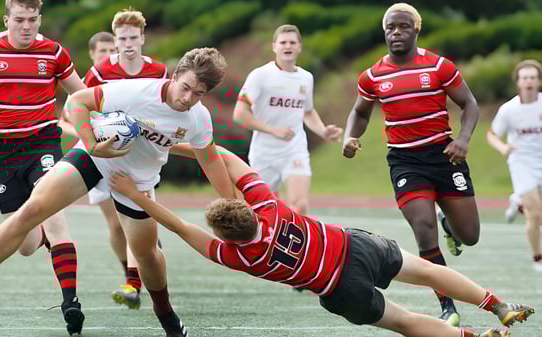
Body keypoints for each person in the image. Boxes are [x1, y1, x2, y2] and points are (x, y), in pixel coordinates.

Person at [0, 47, 235, 337]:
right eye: (185, 87)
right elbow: (77, 103)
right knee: (31, 209)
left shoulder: (197, 119)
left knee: (146, 255)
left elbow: (209, 159)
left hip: (137, 181)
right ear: (175, 75)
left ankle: (165, 312)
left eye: (198, 94)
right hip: (94, 157)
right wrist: (92, 143)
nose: (187, 98)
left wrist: (231, 206)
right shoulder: (135, 91)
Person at [112, 143, 534, 337]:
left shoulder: (239, 257)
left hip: (339, 288)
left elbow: (180, 228)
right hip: (357, 247)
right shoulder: (270, 206)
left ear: (225, 235)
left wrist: (135, 195)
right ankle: (497, 305)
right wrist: (176, 145)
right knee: (428, 271)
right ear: (244, 207)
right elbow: (226, 157)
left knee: (405, 322)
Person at [0, 0, 86, 334]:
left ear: (40, 19)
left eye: (32, 20)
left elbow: (81, 94)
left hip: (43, 144)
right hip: (4, 152)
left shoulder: (54, 53)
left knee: (53, 213)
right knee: (24, 244)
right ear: (6, 19)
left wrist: (94, 121)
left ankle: (71, 302)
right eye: (19, 20)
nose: (26, 26)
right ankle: (38, 240)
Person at [341, 3, 481, 326]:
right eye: (390, 28)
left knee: (470, 235)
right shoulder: (373, 75)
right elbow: (360, 112)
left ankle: (451, 227)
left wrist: (463, 139)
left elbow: (469, 103)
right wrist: (350, 136)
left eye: (403, 26)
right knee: (423, 229)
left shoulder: (438, 67)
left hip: (444, 156)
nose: (396, 33)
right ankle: (447, 305)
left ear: (416, 29)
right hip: (405, 162)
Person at [83, 8, 168, 310]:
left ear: (143, 38)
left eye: (133, 37)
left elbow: (166, 109)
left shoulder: (158, 70)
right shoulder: (99, 72)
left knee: (136, 218)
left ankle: (134, 281)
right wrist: (96, 134)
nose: (128, 43)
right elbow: (79, 105)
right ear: (116, 41)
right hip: (104, 156)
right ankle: (131, 272)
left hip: (139, 158)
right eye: (122, 38)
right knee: (117, 227)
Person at [233, 24, 342, 216]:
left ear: (300, 46)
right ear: (274, 46)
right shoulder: (260, 75)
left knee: (299, 205)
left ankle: (299, 245)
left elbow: (307, 112)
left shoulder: (306, 78)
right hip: (264, 153)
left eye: (292, 42)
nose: (287, 46)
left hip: (294, 149)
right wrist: (272, 130)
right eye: (283, 42)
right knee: (261, 210)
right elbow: (239, 114)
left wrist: (324, 131)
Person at [487, 59, 542, 271]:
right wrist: (503, 148)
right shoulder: (509, 109)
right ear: (518, 82)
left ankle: (517, 201)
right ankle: (538, 258)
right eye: (525, 77)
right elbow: (492, 135)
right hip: (521, 162)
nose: (529, 81)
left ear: (538, 81)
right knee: (535, 214)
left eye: (533, 77)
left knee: (538, 213)